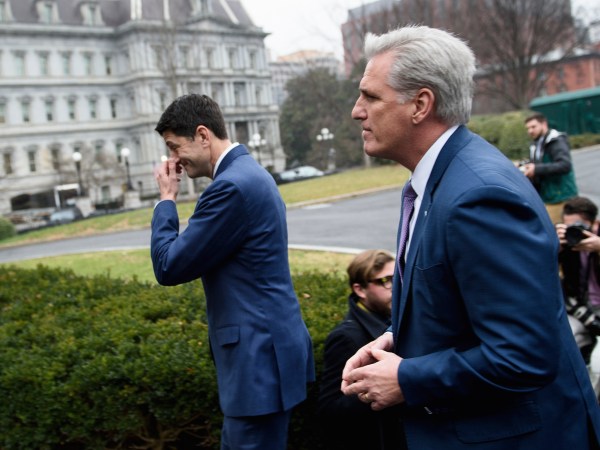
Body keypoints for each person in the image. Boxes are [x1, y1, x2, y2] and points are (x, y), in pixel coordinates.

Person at [340, 25, 600, 449]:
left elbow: (523, 355)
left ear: (420, 104)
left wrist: (406, 377)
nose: (357, 110)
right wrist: (396, 338)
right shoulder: (444, 181)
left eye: (370, 96)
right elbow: (461, 301)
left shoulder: (477, 195)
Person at [150, 94, 315, 450]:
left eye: (175, 147)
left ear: (203, 135)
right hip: (267, 354)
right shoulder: (250, 174)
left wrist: (166, 199)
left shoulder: (230, 188)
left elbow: (169, 265)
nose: (173, 159)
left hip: (257, 360)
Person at [318, 249, 406, 450]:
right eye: (385, 281)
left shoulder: (393, 320)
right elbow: (330, 408)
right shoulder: (347, 337)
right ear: (360, 290)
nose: (395, 288)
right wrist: (376, 388)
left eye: (398, 278)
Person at [557, 196, 600, 365]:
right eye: (569, 227)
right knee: (566, 340)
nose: (574, 231)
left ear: (595, 224)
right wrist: (554, 247)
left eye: (579, 227)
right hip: (579, 307)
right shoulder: (565, 241)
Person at [522, 112, 578, 223]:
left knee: (556, 232)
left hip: (560, 197)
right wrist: (524, 165)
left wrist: (536, 169)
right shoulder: (537, 143)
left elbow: (564, 165)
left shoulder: (556, 141)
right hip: (547, 196)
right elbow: (538, 162)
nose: (530, 131)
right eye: (528, 128)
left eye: (533, 127)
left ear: (544, 124)